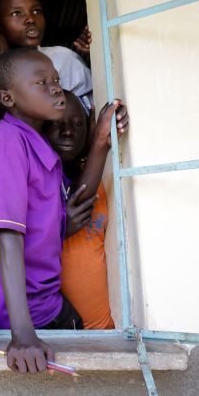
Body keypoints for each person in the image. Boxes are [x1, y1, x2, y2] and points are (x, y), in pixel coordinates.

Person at [0, 48, 76, 374]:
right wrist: (22, 334)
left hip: (43, 299)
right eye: (41, 83)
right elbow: (9, 235)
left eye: (56, 80)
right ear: (8, 97)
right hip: (24, 312)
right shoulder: (7, 140)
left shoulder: (36, 141)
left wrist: (102, 143)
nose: (55, 88)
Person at [45, 91, 128, 330]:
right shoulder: (42, 182)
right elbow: (80, 199)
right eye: (55, 123)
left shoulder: (100, 179)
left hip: (108, 330)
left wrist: (101, 135)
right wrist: (100, 142)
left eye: (78, 123)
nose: (68, 131)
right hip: (63, 331)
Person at [0, 0, 93, 111]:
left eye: (36, 11)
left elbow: (93, 106)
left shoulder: (63, 58)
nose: (30, 19)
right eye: (16, 13)